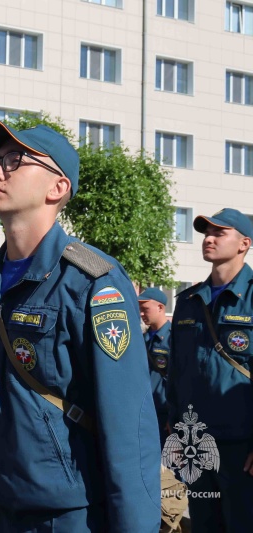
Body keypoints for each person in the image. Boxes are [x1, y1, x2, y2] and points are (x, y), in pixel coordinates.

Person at [0, 121, 160, 532]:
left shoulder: (91, 281)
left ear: (57, 188)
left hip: (65, 515)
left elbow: (128, 422)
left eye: (16, 160)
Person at [166, 208, 253, 531]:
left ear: (244, 243)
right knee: (204, 525)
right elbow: (176, 372)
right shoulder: (189, 301)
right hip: (197, 444)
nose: (209, 239)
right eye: (206, 233)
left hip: (241, 447)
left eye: (219, 233)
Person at [138, 287, 171, 448]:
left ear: (160, 307)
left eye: (145, 309)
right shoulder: (141, 338)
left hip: (165, 412)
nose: (142, 314)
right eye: (140, 310)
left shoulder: (174, 337)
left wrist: (175, 416)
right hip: (146, 411)